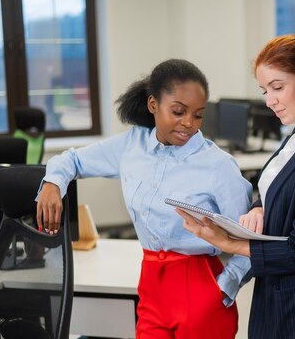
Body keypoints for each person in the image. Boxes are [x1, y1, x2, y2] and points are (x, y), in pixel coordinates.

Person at [36, 59, 252, 339]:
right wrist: (53, 182)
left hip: (200, 286)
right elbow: (73, 160)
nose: (189, 123)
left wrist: (225, 286)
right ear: (153, 104)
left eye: (198, 115)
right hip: (151, 283)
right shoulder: (131, 145)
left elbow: (249, 242)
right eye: (178, 111)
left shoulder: (219, 165)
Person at [178, 35, 295, 339]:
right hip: (279, 297)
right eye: (265, 91)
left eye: (277, 87)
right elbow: (275, 184)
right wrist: (258, 206)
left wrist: (229, 242)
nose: (269, 100)